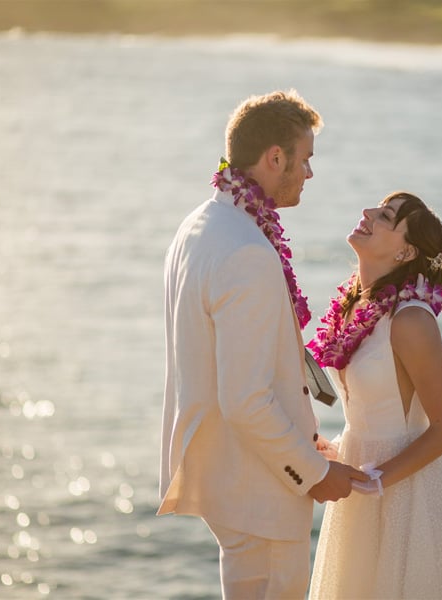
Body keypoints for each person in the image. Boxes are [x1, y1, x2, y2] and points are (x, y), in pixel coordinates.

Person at [157, 90, 368, 600]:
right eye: (306, 158)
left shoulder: (200, 224)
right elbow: (246, 399)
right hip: (260, 490)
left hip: (228, 476)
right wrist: (313, 471)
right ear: (276, 157)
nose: (310, 174)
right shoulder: (248, 252)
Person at [307, 192, 442, 599]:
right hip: (360, 492)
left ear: (406, 251)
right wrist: (337, 449)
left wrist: (379, 479)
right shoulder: (356, 307)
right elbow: (377, 408)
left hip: (412, 500)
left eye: (385, 216)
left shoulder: (410, 320)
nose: (368, 213)